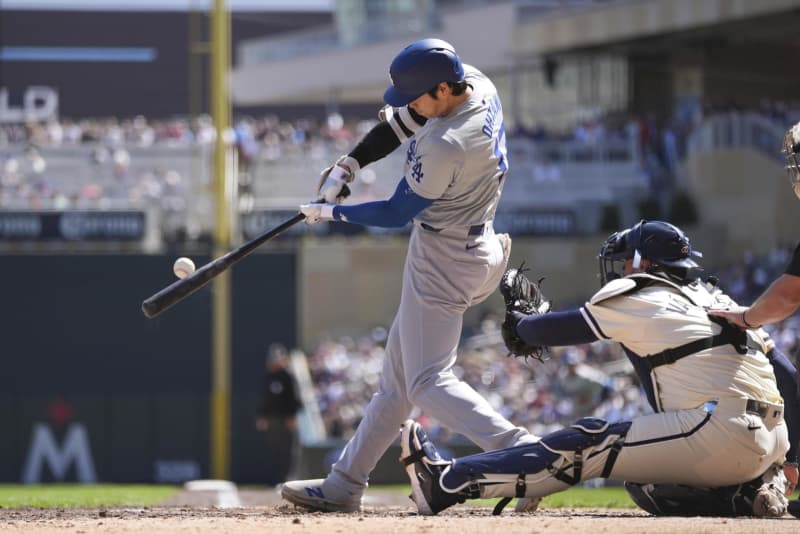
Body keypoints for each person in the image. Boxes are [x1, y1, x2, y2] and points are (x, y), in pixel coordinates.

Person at [280, 37, 538, 512]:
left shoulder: (450, 142)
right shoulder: (475, 82)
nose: (411, 105)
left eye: (418, 95)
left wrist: (332, 214)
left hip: (446, 256)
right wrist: (350, 163)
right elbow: (405, 123)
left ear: (443, 88)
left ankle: (525, 455)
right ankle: (344, 484)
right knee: (397, 384)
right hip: (472, 244)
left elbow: (398, 211)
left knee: (424, 381)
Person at [398, 220, 790, 517]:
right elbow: (786, 373)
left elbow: (558, 329)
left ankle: (448, 480)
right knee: (648, 483)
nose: (620, 271)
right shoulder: (716, 297)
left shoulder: (640, 291)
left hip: (721, 432)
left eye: (624, 263)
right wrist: (791, 461)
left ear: (642, 262)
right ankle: (742, 495)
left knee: (592, 440)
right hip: (770, 444)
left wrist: (521, 324)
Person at [255, 343, 302, 486]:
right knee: (275, 450)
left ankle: (288, 479)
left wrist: (292, 416)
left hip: (286, 419)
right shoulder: (268, 377)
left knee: (287, 451)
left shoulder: (288, 377)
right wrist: (261, 416)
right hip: (272, 420)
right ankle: (277, 480)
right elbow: (264, 399)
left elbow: (295, 398)